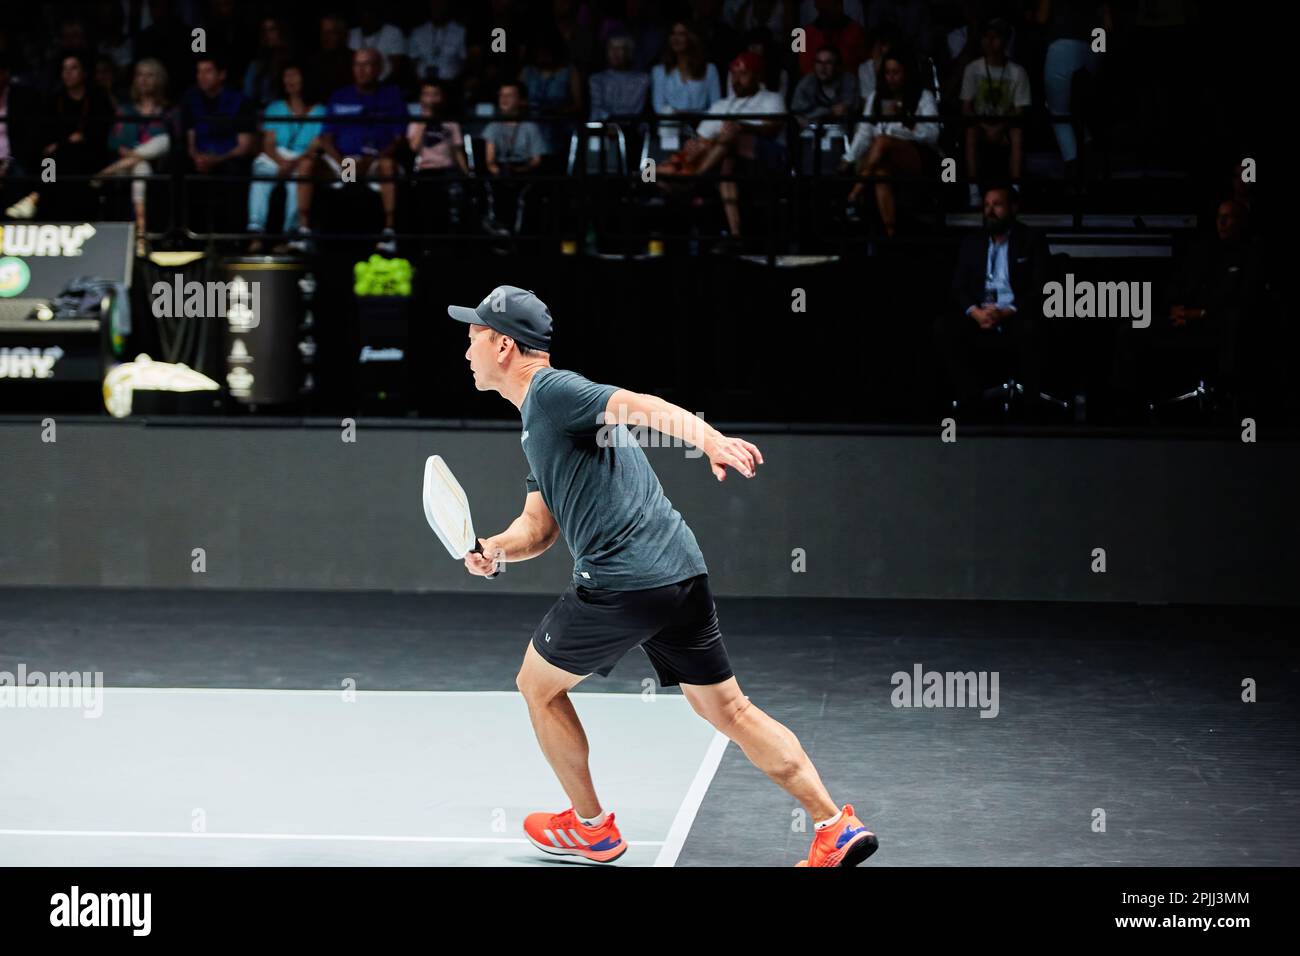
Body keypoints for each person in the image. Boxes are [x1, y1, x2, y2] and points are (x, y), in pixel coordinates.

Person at [447, 285, 880, 868]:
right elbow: (539, 526)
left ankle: (591, 828)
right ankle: (835, 826)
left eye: (472, 335)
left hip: (623, 579)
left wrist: (710, 440)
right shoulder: (539, 422)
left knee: (535, 686)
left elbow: (638, 405)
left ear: (503, 345)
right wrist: (494, 548)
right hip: (679, 573)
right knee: (728, 710)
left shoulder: (553, 392)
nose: (465, 347)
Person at [933, 184, 1049, 414]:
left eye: (997, 205)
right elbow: (959, 286)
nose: (990, 211)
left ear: (1013, 208)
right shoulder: (972, 242)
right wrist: (975, 312)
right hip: (980, 313)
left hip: (1015, 313)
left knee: (1032, 329)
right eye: (986, 205)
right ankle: (969, 399)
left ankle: (1031, 407)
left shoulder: (1031, 240)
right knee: (944, 327)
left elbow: (1041, 287)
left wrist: (1007, 311)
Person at [663, 51, 785, 248]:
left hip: (763, 158)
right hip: (725, 160)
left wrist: (742, 126)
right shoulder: (721, 105)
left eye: (743, 74)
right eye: (734, 75)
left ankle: (693, 179)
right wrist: (693, 146)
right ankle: (733, 233)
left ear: (756, 75)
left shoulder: (771, 98)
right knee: (719, 160)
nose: (737, 80)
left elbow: (771, 128)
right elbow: (701, 139)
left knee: (732, 135)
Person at [293, 48, 406, 255]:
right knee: (306, 165)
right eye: (357, 64)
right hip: (342, 160)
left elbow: (399, 139)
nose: (361, 70)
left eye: (367, 64)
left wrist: (373, 158)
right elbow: (326, 138)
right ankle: (304, 232)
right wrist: (345, 163)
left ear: (379, 68)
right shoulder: (340, 95)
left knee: (388, 166)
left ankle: (389, 233)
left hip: (374, 161)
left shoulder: (392, 96)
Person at [841, 51, 939, 237]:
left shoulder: (923, 96)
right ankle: (890, 232)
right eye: (887, 72)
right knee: (880, 170)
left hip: (917, 155)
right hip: (881, 158)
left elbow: (933, 135)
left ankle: (854, 194)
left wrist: (905, 124)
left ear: (907, 73)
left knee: (883, 141)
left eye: (896, 72)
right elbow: (864, 131)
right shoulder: (875, 97)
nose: (891, 77)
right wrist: (848, 158)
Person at [5, 50, 112, 221]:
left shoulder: (97, 99)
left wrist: (64, 142)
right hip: (59, 157)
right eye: (64, 69)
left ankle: (35, 197)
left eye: (73, 68)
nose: (68, 73)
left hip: (89, 155)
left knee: (57, 159)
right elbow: (47, 136)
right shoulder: (55, 100)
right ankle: (40, 199)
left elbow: (96, 134)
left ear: (84, 72)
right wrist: (67, 141)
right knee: (50, 161)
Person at [96, 58, 172, 256]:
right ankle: (141, 234)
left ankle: (105, 174)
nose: (144, 80)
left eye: (149, 75)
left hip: (156, 168)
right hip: (123, 168)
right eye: (140, 75)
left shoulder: (168, 111)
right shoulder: (125, 110)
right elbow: (114, 142)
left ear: (159, 80)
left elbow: (168, 145)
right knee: (141, 164)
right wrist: (132, 154)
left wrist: (135, 154)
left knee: (158, 148)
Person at [246, 63, 325, 253]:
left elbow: (317, 144)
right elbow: (268, 143)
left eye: (294, 75)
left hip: (302, 158)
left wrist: (294, 163)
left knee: (296, 184)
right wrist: (282, 162)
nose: (289, 80)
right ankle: (256, 233)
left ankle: (291, 237)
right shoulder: (275, 107)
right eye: (286, 75)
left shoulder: (321, 110)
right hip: (276, 157)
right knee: (260, 178)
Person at [959, 18, 1030, 206]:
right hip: (981, 126)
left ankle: (1015, 189)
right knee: (970, 132)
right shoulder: (972, 69)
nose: (990, 41)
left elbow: (1020, 110)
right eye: (986, 37)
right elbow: (966, 108)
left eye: (995, 37)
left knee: (1017, 133)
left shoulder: (1017, 72)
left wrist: (1000, 127)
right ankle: (973, 190)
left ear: (1005, 40)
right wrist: (985, 126)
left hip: (1005, 128)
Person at [479, 82, 548, 235]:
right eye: (501, 95)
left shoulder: (531, 127)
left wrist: (518, 171)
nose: (504, 99)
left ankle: (522, 235)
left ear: (521, 101)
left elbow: (537, 160)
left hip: (525, 170)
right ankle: (499, 232)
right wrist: (500, 172)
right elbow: (489, 160)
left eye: (509, 95)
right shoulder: (493, 126)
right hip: (500, 170)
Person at [406, 79, 469, 231]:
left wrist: (467, 175)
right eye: (426, 94)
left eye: (435, 94)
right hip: (425, 170)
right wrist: (425, 120)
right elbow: (414, 147)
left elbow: (458, 152)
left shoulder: (451, 123)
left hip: (448, 170)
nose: (430, 99)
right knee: (426, 203)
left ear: (442, 98)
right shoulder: (415, 123)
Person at [790, 45, 859, 129]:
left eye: (828, 63)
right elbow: (797, 111)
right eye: (819, 62)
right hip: (811, 133)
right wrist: (830, 112)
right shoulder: (806, 83)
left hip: (843, 132)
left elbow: (846, 109)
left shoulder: (848, 80)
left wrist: (816, 115)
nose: (822, 67)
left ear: (837, 66)